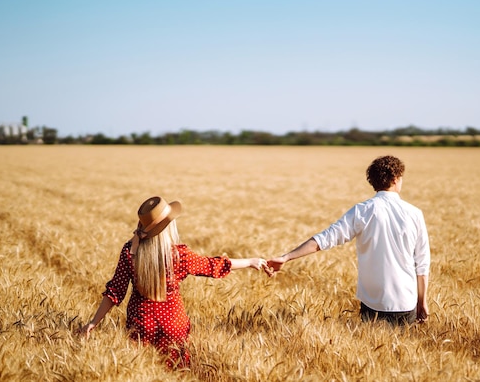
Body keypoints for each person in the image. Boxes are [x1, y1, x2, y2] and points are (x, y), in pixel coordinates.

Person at [80, 196, 267, 368]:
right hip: (173, 325)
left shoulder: (131, 251)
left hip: (141, 323)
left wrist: (93, 322)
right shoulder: (179, 255)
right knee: (176, 371)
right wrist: (250, 262)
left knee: (142, 370)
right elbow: (213, 265)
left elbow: (115, 290)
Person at [267, 155, 430, 326]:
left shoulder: (362, 211)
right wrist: (422, 300)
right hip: (405, 300)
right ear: (395, 179)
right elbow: (422, 262)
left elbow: (324, 239)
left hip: (372, 301)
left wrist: (286, 257)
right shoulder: (415, 214)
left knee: (369, 349)